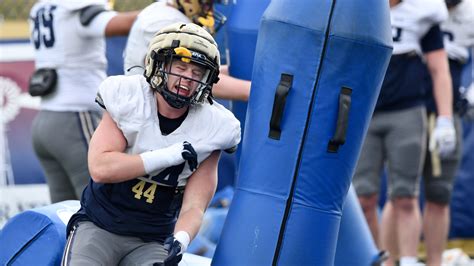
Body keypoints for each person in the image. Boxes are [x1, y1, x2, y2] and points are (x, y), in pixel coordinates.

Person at [62, 22, 241, 265]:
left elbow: (194, 206)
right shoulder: (129, 97)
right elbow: (101, 168)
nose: (187, 78)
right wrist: (168, 155)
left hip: (154, 238)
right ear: (160, 66)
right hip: (100, 225)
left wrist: (181, 239)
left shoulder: (216, 126)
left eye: (197, 73)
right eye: (180, 67)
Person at [352, 0, 455, 265]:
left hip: (407, 112)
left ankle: (408, 260)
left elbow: (439, 68)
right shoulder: (361, 10)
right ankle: (373, 258)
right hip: (366, 112)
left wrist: (445, 117)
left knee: (405, 196)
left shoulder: (423, 12)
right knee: (363, 197)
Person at [28, 0, 139, 203]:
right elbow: (128, 23)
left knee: (64, 212)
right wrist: (167, 9)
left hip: (45, 119)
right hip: (74, 119)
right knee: (103, 204)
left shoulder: (42, 8)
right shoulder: (80, 12)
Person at [420, 0, 474, 265]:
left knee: (440, 191)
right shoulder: (419, 8)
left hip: (450, 109)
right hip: (411, 107)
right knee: (401, 192)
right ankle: (395, 257)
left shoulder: (470, 12)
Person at [123, 0, 251, 102]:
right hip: (153, 107)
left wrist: (231, 70)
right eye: (207, 4)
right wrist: (252, 90)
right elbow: (188, 78)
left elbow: (191, 69)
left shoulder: (161, 9)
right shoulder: (169, 22)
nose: (210, 11)